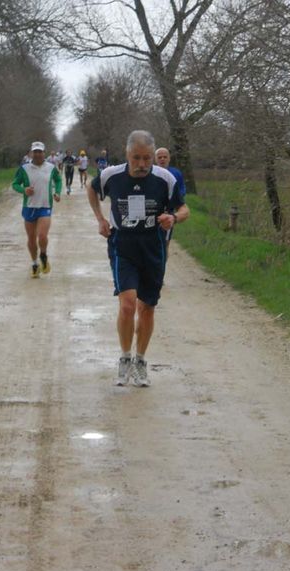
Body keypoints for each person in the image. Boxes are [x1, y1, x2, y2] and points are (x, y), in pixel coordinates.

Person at [87, 130, 189, 387]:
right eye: (136, 158)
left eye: (147, 159)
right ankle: (124, 356)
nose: (142, 164)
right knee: (128, 304)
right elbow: (92, 188)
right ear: (127, 154)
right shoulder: (112, 175)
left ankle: (141, 359)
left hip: (153, 245)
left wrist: (173, 218)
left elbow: (183, 208)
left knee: (147, 306)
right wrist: (100, 219)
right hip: (123, 244)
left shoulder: (164, 179)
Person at [12, 141, 62, 278]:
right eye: (35, 151)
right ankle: (35, 264)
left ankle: (44, 255)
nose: (38, 154)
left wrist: (57, 192)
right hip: (29, 207)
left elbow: (58, 180)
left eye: (40, 151)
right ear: (31, 153)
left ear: (44, 153)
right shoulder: (24, 168)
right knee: (31, 238)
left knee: (42, 235)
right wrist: (24, 190)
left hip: (45, 206)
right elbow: (15, 184)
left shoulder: (51, 168)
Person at [155, 147, 187, 253]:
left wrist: (176, 198)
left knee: (165, 244)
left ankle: (162, 264)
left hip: (168, 213)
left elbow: (182, 189)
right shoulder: (151, 172)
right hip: (152, 212)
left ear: (169, 159)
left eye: (165, 157)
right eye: (160, 157)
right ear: (155, 159)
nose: (162, 159)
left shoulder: (176, 173)